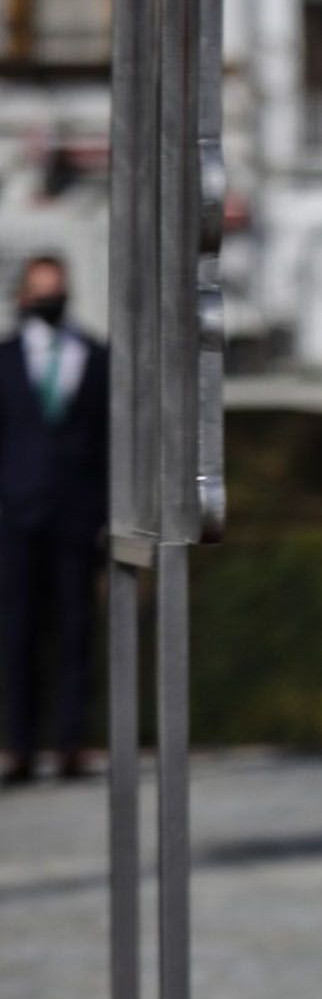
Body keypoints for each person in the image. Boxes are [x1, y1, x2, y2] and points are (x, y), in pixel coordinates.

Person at [0, 254, 110, 785]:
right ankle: (20, 746)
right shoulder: (3, 358)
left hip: (75, 517)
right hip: (14, 518)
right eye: (39, 289)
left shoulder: (95, 355)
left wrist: (106, 514)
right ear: (23, 294)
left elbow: (109, 442)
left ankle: (70, 742)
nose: (48, 297)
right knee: (17, 634)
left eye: (56, 288)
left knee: (75, 631)